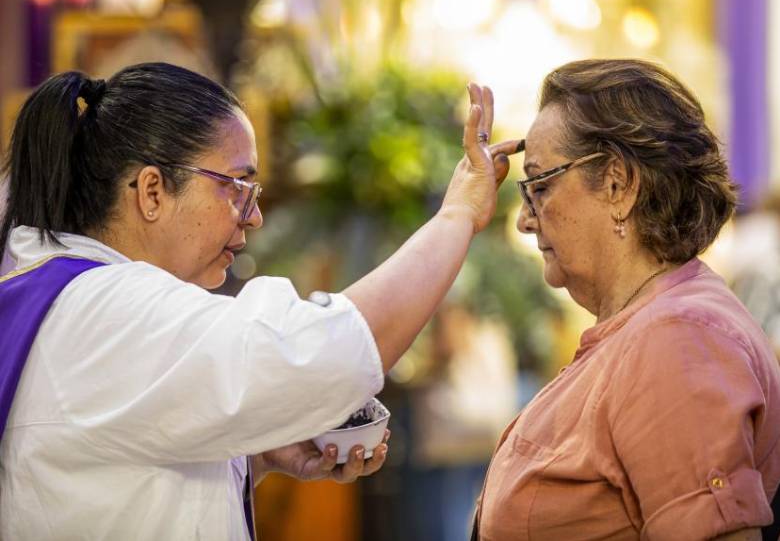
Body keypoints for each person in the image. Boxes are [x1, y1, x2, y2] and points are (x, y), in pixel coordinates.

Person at [0, 62, 520, 540]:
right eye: (238, 188)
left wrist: (255, 454)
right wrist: (457, 216)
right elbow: (321, 352)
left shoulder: (65, 293)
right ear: (153, 191)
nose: (254, 217)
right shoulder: (106, 309)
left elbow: (112, 476)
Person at [473, 59, 780, 540]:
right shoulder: (654, 325)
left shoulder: (677, 339)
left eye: (539, 186)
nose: (525, 221)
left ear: (618, 183)